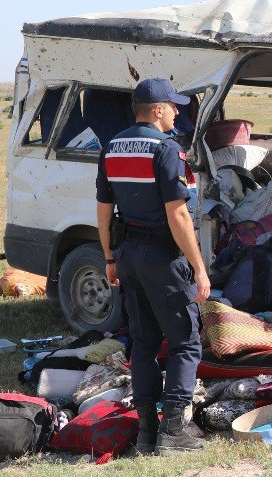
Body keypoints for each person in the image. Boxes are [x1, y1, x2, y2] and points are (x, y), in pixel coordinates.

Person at [95, 78, 210, 455]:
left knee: (143, 343)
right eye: (174, 106)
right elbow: (177, 214)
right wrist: (199, 266)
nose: (179, 112)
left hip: (126, 256)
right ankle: (174, 431)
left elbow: (103, 210)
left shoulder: (111, 147)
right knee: (185, 341)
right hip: (161, 258)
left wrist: (109, 257)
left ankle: (146, 433)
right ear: (157, 110)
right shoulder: (166, 149)